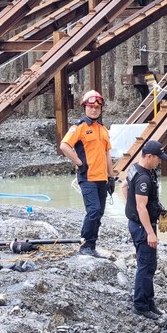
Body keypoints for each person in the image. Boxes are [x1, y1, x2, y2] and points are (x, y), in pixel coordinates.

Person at [60, 90, 116, 257]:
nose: (94, 110)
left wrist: (111, 176)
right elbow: (64, 146)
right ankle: (85, 245)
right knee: (93, 211)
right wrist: (78, 163)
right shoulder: (79, 127)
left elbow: (107, 154)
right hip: (88, 178)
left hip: (102, 178)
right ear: (85, 107)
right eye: (91, 107)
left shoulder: (102, 129)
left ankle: (91, 246)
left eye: (97, 107)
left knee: (99, 213)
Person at [124, 140, 167, 320]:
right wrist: (150, 232)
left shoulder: (136, 168)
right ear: (149, 157)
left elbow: (124, 187)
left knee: (150, 263)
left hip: (138, 223)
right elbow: (141, 207)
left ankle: (149, 302)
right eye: (158, 159)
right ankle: (141, 305)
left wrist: (131, 209)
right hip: (143, 226)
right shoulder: (143, 178)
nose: (160, 162)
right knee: (146, 265)